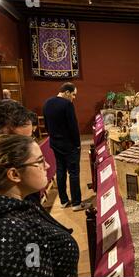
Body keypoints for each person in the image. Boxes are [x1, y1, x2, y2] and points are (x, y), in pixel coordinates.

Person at [0, 134, 79, 277]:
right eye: (40, 161)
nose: (47, 166)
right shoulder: (15, 237)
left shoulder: (7, 208)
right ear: (14, 174)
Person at [43, 83, 91, 212]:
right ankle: (76, 203)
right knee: (74, 173)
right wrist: (77, 144)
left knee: (60, 170)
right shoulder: (67, 104)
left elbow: (46, 125)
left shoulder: (47, 102)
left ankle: (64, 201)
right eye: (74, 94)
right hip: (69, 145)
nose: (74, 97)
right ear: (67, 92)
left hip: (55, 143)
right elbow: (73, 126)